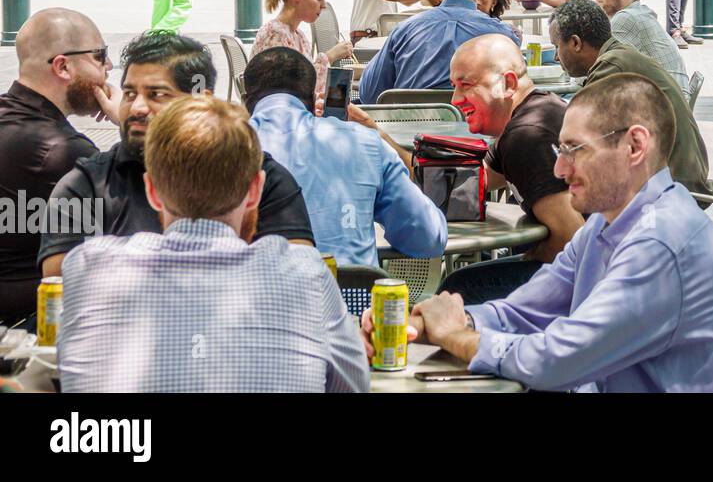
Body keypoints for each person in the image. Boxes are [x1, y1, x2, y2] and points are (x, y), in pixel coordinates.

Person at [359, 73, 713, 392]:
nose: (559, 170)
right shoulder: (607, 220)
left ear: (635, 146)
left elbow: (555, 361)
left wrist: (456, 337)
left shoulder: (659, 242)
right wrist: (424, 325)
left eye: (573, 150)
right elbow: (526, 311)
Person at [57, 95, 368, 393]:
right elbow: (354, 386)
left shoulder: (87, 267)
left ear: (151, 190)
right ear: (256, 190)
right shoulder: (306, 274)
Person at [38, 32, 316, 280]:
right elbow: (59, 284)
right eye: (129, 93)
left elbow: (299, 273)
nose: (137, 107)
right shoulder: (85, 184)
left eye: (156, 94)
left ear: (201, 99)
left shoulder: (259, 177)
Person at [246, 48, 446, 267]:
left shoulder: (223, 150)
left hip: (257, 298)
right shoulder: (365, 142)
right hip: (353, 298)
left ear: (246, 102)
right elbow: (428, 237)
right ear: (314, 100)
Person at [439, 36, 586, 303]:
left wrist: (527, 258)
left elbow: (570, 239)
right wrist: (383, 141)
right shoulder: (538, 110)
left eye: (466, 85)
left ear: (508, 83)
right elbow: (469, 184)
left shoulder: (526, 137)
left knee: (457, 291)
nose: (455, 99)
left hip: (593, 279)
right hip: (595, 266)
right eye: (453, 86)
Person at [0, 9, 117, 322]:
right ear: (63, 66)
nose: (109, 66)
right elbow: (159, 203)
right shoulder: (62, 151)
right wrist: (133, 124)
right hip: (28, 330)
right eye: (100, 56)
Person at [549, 0, 709, 194]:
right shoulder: (618, 54)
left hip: (675, 183)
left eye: (556, 46)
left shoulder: (612, 65)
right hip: (682, 173)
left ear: (575, 43)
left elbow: (579, 128)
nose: (556, 57)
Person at [358, 0, 515, 101]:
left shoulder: (404, 30)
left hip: (408, 124)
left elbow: (370, 94)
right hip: (474, 125)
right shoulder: (502, 36)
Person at [251, 0, 352, 102]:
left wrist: (338, 96)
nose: (323, 5)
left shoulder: (299, 37)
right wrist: (329, 57)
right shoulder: (274, 34)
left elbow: (307, 86)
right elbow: (290, 92)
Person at [591, 0, 689, 92]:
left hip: (664, 107)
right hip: (666, 100)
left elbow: (600, 72)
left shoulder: (626, 18)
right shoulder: (639, 13)